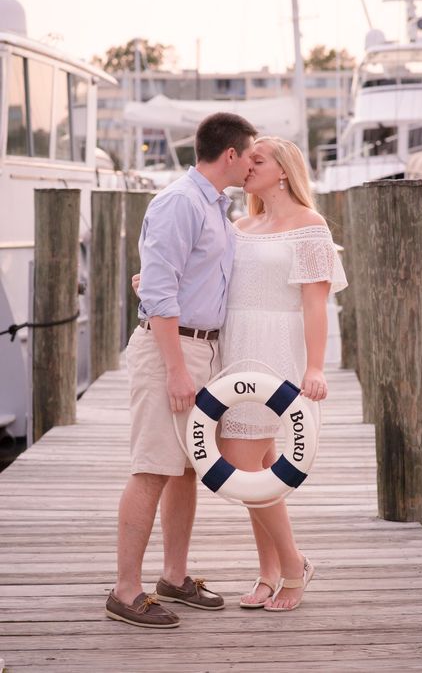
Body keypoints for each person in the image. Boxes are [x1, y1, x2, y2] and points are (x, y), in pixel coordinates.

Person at [105, 112, 257, 628]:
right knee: (152, 467)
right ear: (230, 155)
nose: (252, 162)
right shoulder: (178, 201)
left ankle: (173, 576)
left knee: (187, 467)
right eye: (249, 154)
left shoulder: (217, 206)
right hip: (171, 351)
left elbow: (172, 276)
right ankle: (125, 590)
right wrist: (174, 369)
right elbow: (162, 292)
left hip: (205, 351)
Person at [217, 136, 347, 612]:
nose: (247, 166)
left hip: (278, 349)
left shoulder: (310, 226)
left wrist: (315, 366)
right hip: (236, 346)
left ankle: (293, 566)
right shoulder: (239, 225)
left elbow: (316, 304)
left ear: (285, 170)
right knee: (259, 466)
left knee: (241, 461)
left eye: (257, 160)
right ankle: (269, 572)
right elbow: (212, 280)